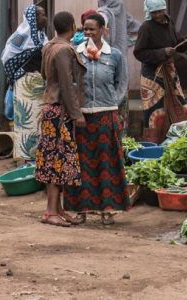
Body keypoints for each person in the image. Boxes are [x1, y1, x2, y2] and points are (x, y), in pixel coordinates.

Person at [64, 14, 130, 224]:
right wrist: (76, 111)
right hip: (82, 117)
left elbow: (122, 83)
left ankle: (107, 210)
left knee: (107, 163)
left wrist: (114, 105)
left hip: (106, 115)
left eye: (93, 29)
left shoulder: (115, 55)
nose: (89, 33)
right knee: (81, 163)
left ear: (103, 29)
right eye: (85, 30)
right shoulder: (76, 54)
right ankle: (81, 210)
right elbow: (72, 83)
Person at [35, 11, 86, 227]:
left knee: (55, 159)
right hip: (59, 111)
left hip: (49, 107)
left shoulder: (49, 46)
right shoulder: (64, 49)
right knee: (58, 161)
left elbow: (46, 76)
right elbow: (66, 85)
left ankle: (58, 209)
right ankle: (50, 211)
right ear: (73, 26)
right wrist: (77, 114)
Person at [134, 0, 187, 143]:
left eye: (160, 11)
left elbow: (176, 45)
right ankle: (153, 145)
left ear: (165, 9)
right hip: (152, 76)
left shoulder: (169, 22)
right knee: (155, 112)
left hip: (170, 72)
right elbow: (139, 53)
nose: (158, 15)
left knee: (181, 106)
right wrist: (161, 52)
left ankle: (179, 142)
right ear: (149, 12)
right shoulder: (146, 27)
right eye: (154, 12)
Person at [1, 5, 49, 161]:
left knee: (39, 122)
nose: (45, 18)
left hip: (40, 87)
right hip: (25, 86)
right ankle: (25, 160)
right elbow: (7, 59)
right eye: (42, 15)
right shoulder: (20, 37)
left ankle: (39, 160)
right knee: (26, 122)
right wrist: (18, 75)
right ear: (33, 19)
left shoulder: (43, 37)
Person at [98, 0, 142, 132]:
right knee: (119, 94)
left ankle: (115, 136)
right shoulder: (111, 14)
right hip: (117, 64)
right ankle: (120, 136)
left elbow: (136, 26)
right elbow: (136, 26)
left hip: (106, 64)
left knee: (111, 96)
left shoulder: (106, 13)